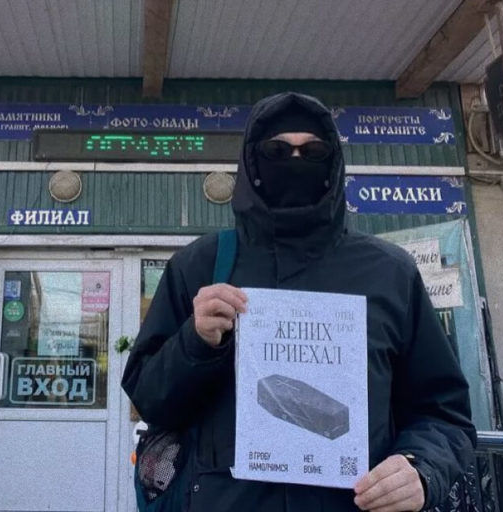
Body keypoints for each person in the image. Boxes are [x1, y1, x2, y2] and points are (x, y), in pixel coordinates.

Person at [122, 92, 476, 512]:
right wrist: (195, 343)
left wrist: (421, 468)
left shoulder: (390, 273)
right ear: (252, 162)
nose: (295, 160)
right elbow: (148, 400)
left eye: (313, 151)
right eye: (276, 150)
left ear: (333, 162)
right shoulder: (200, 266)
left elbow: (443, 413)